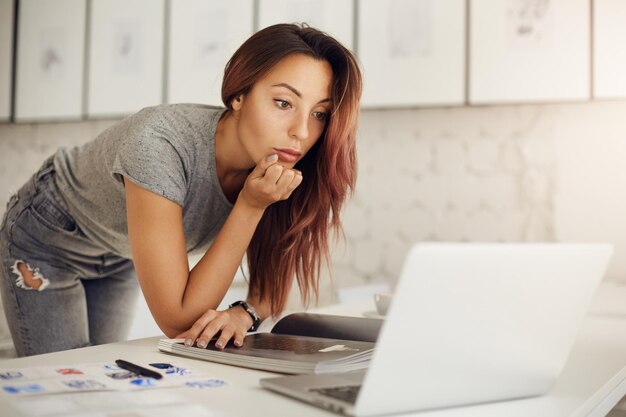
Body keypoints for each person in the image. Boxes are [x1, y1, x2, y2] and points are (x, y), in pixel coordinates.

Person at [0, 23, 362, 357]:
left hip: (120, 251)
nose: (301, 131)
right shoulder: (158, 144)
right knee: (65, 379)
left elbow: (274, 279)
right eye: (283, 103)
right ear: (238, 94)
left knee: (100, 374)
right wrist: (250, 206)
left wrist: (242, 314)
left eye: (319, 113)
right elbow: (177, 321)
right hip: (49, 237)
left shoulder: (286, 165)